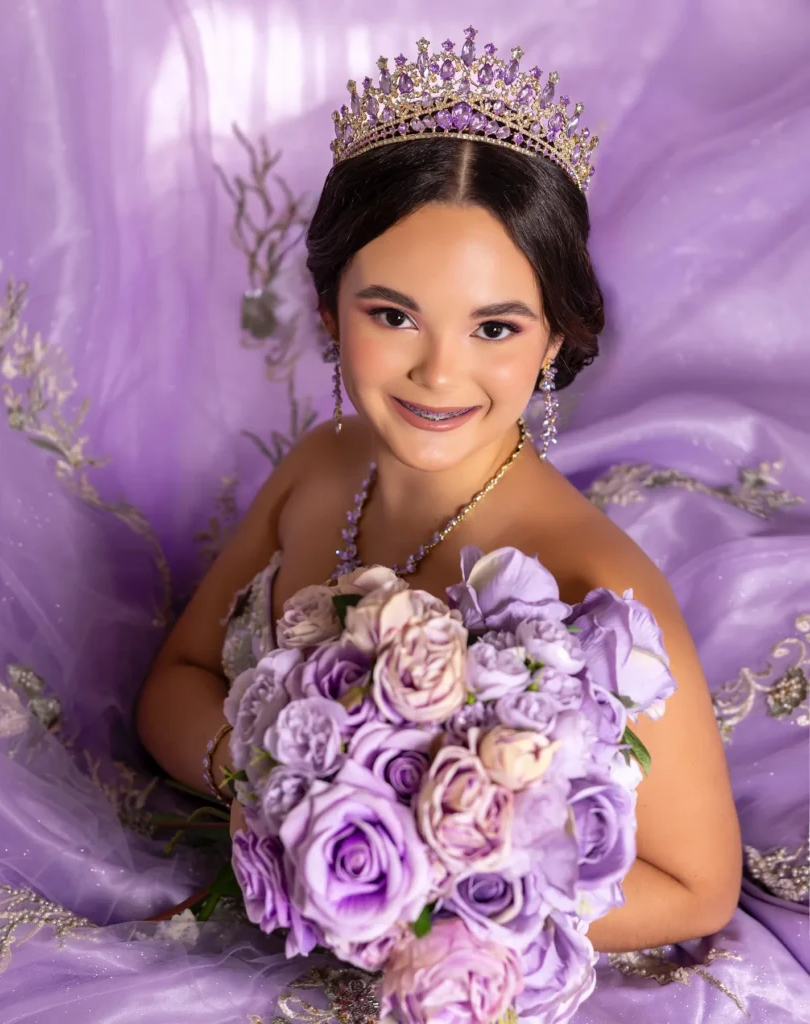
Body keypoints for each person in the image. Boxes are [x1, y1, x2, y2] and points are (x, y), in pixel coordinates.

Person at [137, 33, 741, 956]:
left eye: (494, 326)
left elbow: (698, 891)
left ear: (552, 342)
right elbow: (173, 687)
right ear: (331, 310)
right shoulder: (322, 465)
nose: (438, 371)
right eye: (392, 315)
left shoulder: (596, 590)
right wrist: (284, 789)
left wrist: (420, 884)